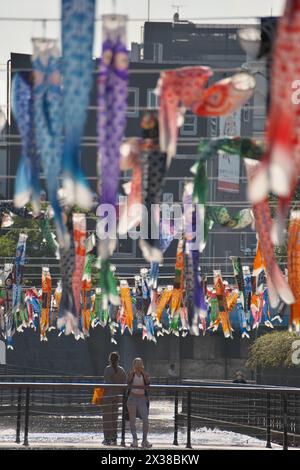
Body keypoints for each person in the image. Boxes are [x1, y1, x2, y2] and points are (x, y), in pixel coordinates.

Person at [102, 351, 126, 446]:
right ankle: (114, 437)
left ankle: (107, 438)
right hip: (118, 397)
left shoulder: (108, 369)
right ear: (118, 359)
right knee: (115, 418)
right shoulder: (121, 370)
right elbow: (124, 383)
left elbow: (106, 382)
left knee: (107, 418)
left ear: (109, 359)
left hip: (108, 396)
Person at [127, 358, 151, 448]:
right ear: (134, 365)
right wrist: (133, 372)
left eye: (140, 363)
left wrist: (143, 373)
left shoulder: (145, 374)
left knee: (145, 419)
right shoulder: (131, 374)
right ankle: (135, 439)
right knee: (132, 420)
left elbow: (148, 383)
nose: (138, 366)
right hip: (132, 397)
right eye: (137, 364)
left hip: (142, 398)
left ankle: (144, 440)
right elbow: (128, 382)